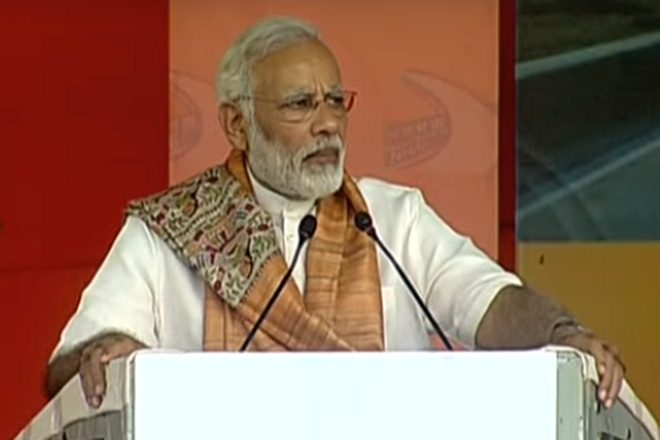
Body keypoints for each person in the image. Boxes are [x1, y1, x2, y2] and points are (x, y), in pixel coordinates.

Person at [45, 16, 624, 410]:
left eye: (335, 101)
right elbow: (74, 362)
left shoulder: (391, 218)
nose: (328, 124)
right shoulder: (169, 233)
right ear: (237, 125)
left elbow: (488, 301)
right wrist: (104, 354)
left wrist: (562, 332)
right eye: (300, 104)